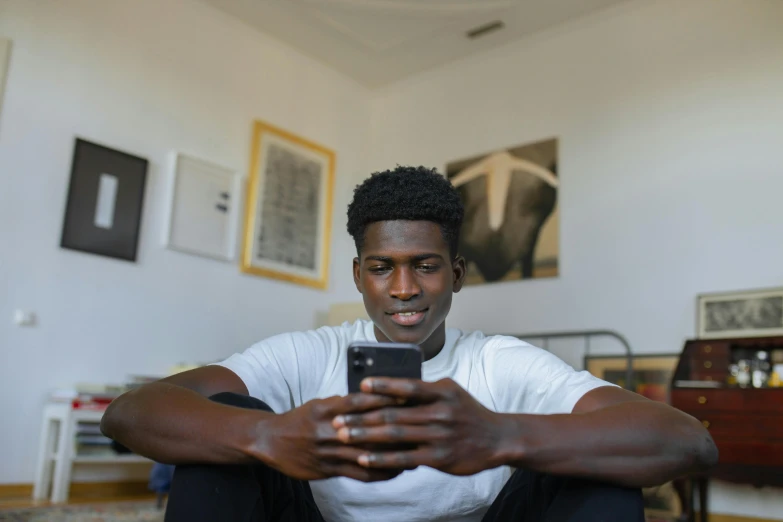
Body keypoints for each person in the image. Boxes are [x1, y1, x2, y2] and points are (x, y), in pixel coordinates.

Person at [101, 166, 717, 522]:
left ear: (458, 273)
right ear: (357, 275)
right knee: (227, 428)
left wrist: (503, 436)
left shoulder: (499, 362)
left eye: (425, 265)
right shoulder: (304, 354)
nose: (402, 289)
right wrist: (266, 437)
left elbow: (689, 441)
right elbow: (130, 411)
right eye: (380, 268)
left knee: (600, 466)